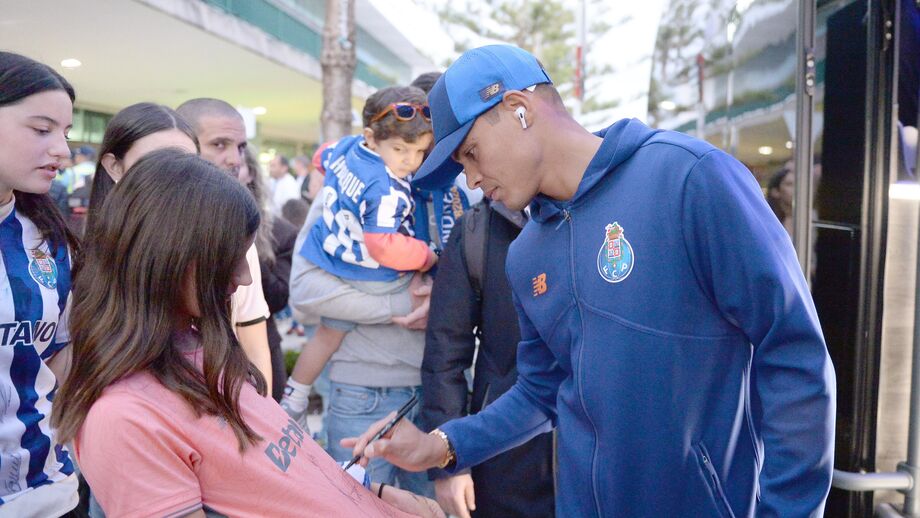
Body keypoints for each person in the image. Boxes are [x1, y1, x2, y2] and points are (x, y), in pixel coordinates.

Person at [345, 44, 837, 517]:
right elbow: (541, 391)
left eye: (471, 153)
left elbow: (792, 355)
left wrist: (788, 510)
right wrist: (442, 446)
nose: (471, 179)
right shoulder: (527, 254)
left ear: (519, 108)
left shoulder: (690, 178)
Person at [51, 149, 443, 518]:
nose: (244, 277)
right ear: (167, 259)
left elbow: (279, 474)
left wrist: (370, 494)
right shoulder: (124, 418)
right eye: (229, 259)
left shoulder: (198, 349)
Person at [283, 86, 438, 497]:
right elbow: (381, 246)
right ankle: (295, 396)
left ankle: (295, 394)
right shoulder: (387, 187)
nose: (412, 162)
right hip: (372, 286)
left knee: (333, 326)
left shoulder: (347, 150)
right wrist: (427, 259)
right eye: (402, 150)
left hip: (332, 253)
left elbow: (324, 155)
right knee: (358, 501)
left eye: (420, 151)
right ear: (373, 137)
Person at [421, 199, 554, 518]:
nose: (473, 176)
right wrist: (449, 464)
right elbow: (445, 352)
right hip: (502, 453)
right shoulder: (475, 230)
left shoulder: (601, 215)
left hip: (598, 454)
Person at [0, 51, 81, 517]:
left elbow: (58, 356)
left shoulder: (49, 239)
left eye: (65, 133)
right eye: (41, 129)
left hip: (48, 495)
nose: (63, 151)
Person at [176, 98, 274, 391]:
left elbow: (253, 339)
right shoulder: (145, 232)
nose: (235, 159)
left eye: (241, 147)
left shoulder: (241, 235)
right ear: (183, 146)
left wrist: (265, 416)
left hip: (224, 402)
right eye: (219, 145)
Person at [84, 102, 198, 237]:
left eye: (189, 162)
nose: (175, 173)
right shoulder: (73, 250)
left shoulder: (213, 233)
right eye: (156, 162)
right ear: (114, 166)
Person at [240, 145, 297, 401]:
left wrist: (248, 247)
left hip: (259, 354)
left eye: (237, 160)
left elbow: (278, 298)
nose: (228, 161)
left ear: (251, 173)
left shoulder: (279, 232)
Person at [766, 166, 794, 236]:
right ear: (775, 192)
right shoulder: (768, 221)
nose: (796, 189)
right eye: (789, 184)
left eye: (797, 184)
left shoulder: (809, 219)